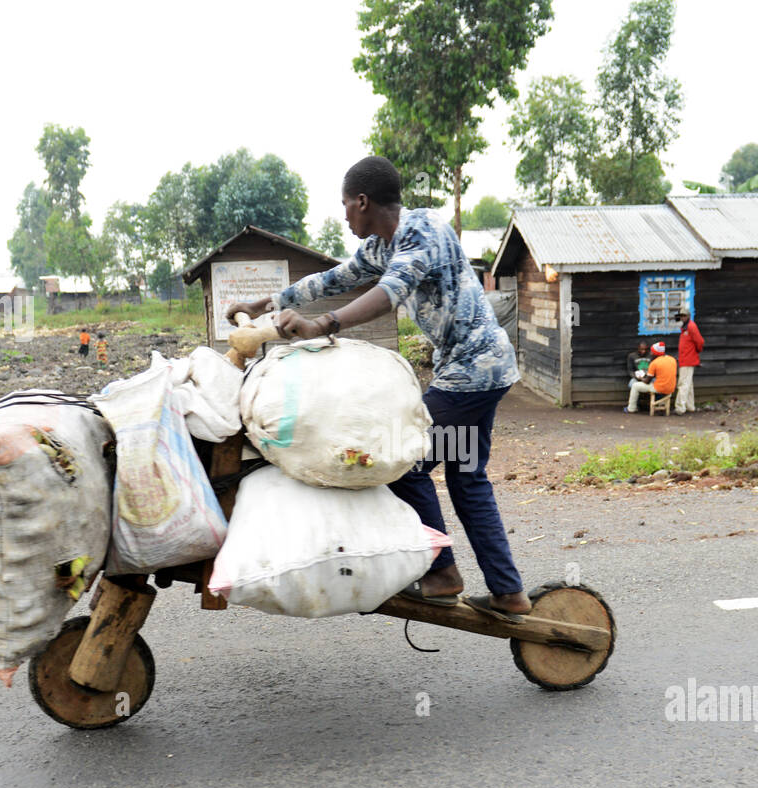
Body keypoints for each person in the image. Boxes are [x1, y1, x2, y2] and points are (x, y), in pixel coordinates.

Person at [225, 155, 531, 620]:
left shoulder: (421, 229)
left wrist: (323, 325)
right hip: (477, 371)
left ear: (363, 201)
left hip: (473, 371)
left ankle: (442, 573)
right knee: (467, 478)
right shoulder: (380, 246)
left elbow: (389, 292)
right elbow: (332, 279)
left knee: (403, 458)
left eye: (346, 205)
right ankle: (508, 593)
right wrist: (265, 302)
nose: (345, 215)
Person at [625, 341, 676, 412]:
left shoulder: (655, 363)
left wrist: (641, 378)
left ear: (656, 353)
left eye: (652, 352)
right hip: (671, 388)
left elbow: (647, 381)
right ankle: (660, 404)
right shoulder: (672, 359)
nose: (651, 353)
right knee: (632, 383)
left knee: (635, 386)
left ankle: (631, 408)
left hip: (658, 387)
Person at [674, 310, 704, 414]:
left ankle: (680, 408)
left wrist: (696, 351)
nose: (682, 317)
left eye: (684, 315)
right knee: (688, 384)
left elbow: (700, 341)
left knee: (683, 384)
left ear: (688, 316)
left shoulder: (691, 326)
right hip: (685, 359)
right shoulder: (684, 327)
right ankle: (690, 406)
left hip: (688, 360)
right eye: (681, 316)